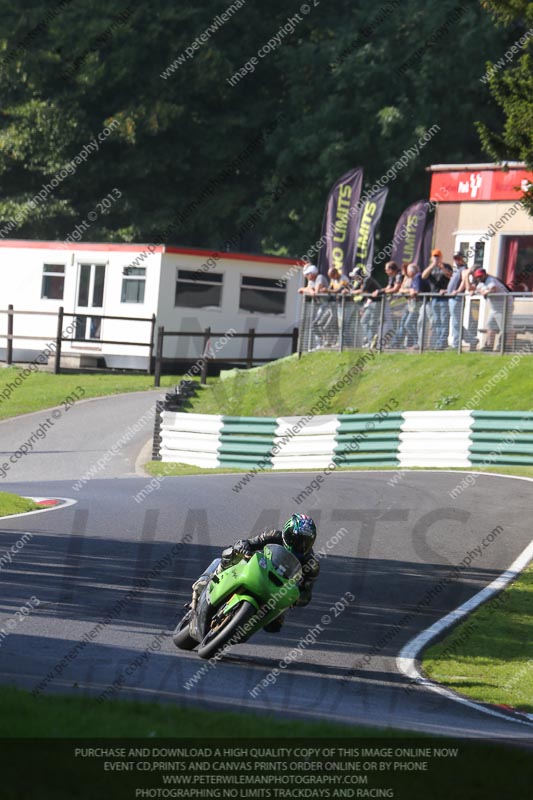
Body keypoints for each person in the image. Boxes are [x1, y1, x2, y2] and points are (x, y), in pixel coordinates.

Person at [218, 514, 320, 632]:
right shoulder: (273, 536)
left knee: (274, 626)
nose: (300, 544)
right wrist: (244, 548)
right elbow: (246, 543)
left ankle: (241, 627)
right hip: (259, 569)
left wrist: (296, 599)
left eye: (306, 542)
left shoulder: (311, 564)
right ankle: (213, 575)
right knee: (231, 553)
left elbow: (306, 593)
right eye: (295, 538)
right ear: (287, 532)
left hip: (279, 590)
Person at [472, 268, 511, 351]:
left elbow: (493, 288)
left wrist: (485, 292)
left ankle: (506, 346)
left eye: (480, 276)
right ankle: (489, 346)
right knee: (490, 325)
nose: (479, 278)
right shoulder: (481, 283)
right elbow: (476, 289)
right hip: (495, 307)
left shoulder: (490, 279)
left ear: (485, 275)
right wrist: (475, 291)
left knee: (504, 327)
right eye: (477, 277)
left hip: (504, 305)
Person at [421, 249, 452, 349]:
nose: (436, 258)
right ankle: (439, 341)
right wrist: (432, 266)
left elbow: (450, 275)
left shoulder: (446, 266)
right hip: (434, 297)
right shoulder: (431, 268)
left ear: (441, 257)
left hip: (444, 298)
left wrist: (442, 267)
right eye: (434, 256)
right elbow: (423, 276)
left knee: (444, 320)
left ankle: (443, 342)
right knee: (437, 320)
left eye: (438, 256)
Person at [349, 267, 383, 347]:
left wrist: (352, 292)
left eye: (355, 276)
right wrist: (346, 291)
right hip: (372, 303)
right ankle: (371, 340)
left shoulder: (367, 279)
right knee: (364, 321)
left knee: (372, 322)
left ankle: (373, 341)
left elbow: (361, 291)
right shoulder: (360, 281)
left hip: (378, 302)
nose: (354, 278)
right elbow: (353, 289)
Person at [298, 264, 328, 349]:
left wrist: (309, 290)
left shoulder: (320, 277)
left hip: (328, 305)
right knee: (315, 324)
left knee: (316, 324)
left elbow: (316, 292)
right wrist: (309, 289)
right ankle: (321, 343)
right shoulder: (311, 281)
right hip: (321, 305)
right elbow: (303, 289)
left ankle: (322, 343)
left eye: (308, 274)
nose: (307, 276)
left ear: (312, 273)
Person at [447, 252, 469, 348]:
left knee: (456, 322)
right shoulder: (457, 270)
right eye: (455, 258)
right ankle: (472, 339)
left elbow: (464, 281)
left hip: (457, 299)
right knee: (455, 322)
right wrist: (447, 290)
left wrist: (458, 291)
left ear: (463, 259)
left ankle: (456, 344)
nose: (456, 260)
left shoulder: (464, 269)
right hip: (451, 298)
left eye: (458, 258)